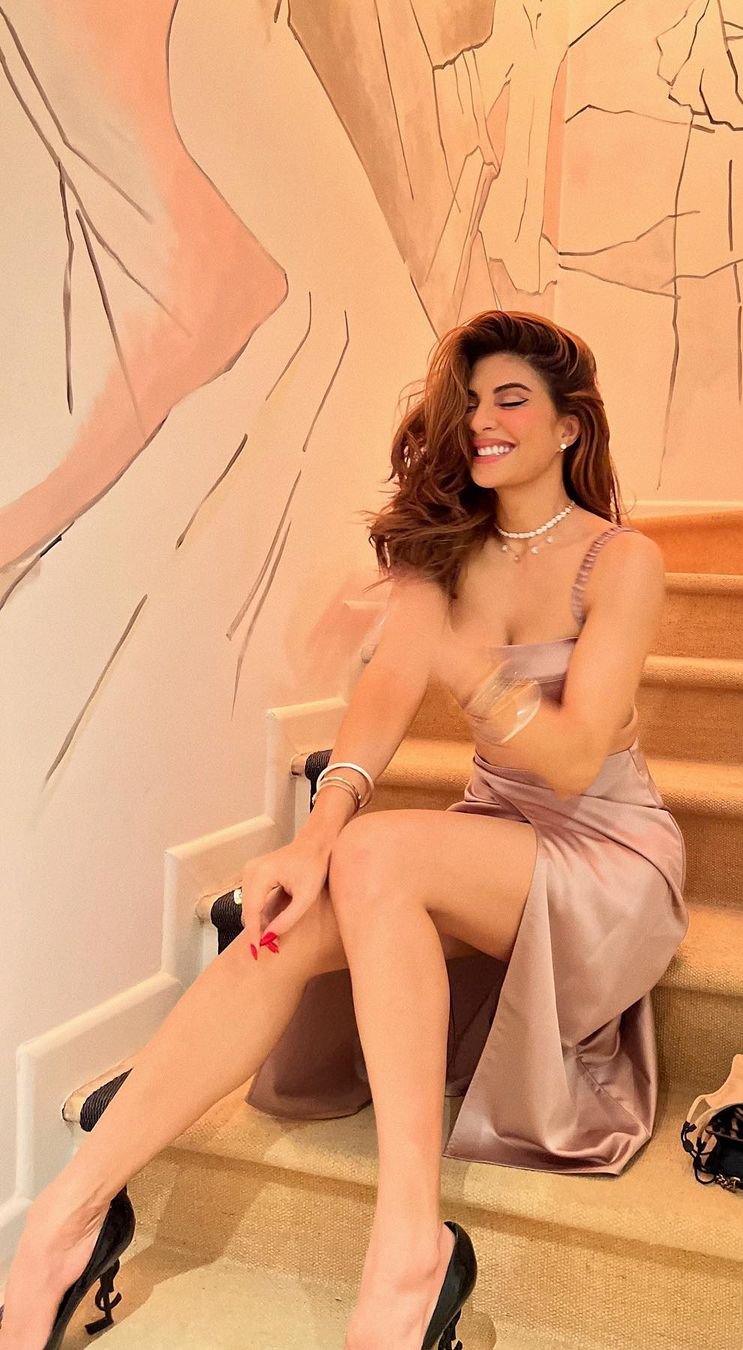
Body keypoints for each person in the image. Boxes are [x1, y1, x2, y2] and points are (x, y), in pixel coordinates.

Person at [0, 310, 688, 1350]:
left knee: (379, 856)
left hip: (605, 860)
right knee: (284, 922)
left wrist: (467, 667)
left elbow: (575, 758)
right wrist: (313, 837)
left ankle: (409, 1247)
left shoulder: (621, 559)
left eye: (511, 399)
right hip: (490, 841)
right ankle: (69, 1214)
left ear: (568, 428)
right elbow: (382, 700)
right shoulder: (448, 554)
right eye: (471, 400)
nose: (483, 419)